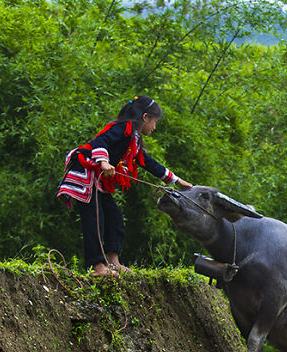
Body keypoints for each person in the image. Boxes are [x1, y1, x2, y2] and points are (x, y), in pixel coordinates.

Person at [57, 95, 193, 276]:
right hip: (87, 174)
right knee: (95, 220)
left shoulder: (133, 139)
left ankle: (113, 262)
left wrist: (175, 180)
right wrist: (104, 162)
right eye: (154, 122)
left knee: (115, 217)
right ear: (145, 117)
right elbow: (100, 141)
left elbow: (146, 161)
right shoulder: (122, 128)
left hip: (98, 179)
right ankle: (97, 267)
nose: (154, 127)